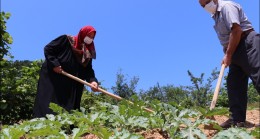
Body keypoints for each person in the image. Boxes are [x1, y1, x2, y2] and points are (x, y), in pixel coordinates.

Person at [198, 0, 260, 128]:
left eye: (206, 2)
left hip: (248, 43)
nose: (205, 6)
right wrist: (227, 53)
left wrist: (228, 54)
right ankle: (237, 120)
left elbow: (236, 30)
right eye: (202, 5)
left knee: (258, 76)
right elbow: (228, 38)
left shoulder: (226, 7)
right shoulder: (216, 16)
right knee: (234, 84)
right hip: (235, 49)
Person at [33, 25, 99, 118]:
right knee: (49, 103)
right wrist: (55, 64)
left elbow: (88, 70)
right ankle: (43, 125)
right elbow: (48, 49)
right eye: (89, 35)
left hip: (71, 83)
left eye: (92, 37)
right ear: (82, 34)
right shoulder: (66, 40)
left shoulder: (87, 53)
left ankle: (67, 127)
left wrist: (93, 81)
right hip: (54, 78)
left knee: (69, 107)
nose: (90, 39)